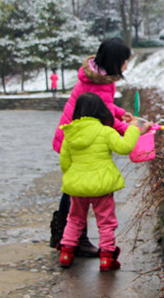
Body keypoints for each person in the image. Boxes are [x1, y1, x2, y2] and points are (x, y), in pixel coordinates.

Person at [50, 38, 151, 257]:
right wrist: (131, 128)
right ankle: (74, 239)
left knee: (74, 185)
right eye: (124, 61)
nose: (126, 65)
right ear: (115, 62)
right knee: (76, 188)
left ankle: (64, 236)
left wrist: (118, 112)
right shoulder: (98, 82)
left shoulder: (98, 76)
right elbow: (104, 117)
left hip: (73, 134)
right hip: (78, 137)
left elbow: (103, 107)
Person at [58, 92, 140, 271]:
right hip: (102, 186)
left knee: (75, 219)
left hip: (78, 186)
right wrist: (133, 128)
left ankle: (66, 253)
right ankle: (106, 258)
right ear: (101, 111)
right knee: (105, 222)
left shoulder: (69, 133)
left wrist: (75, 177)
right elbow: (125, 147)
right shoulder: (105, 131)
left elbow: (65, 162)